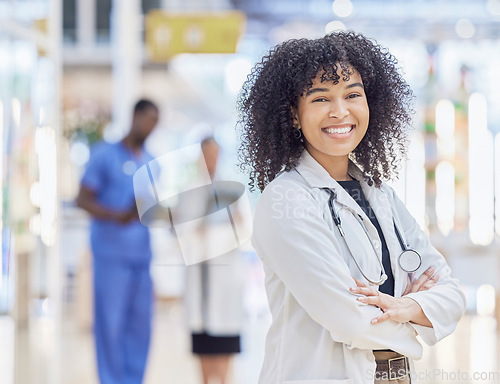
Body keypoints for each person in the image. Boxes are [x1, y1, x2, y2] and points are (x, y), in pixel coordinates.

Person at [237, 31, 466, 384]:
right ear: (294, 115)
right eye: (320, 98)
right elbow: (348, 320)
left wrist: (406, 307)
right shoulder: (285, 201)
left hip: (398, 376)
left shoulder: (379, 194)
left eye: (352, 95)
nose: (340, 111)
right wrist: (415, 318)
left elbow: (450, 293)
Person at [77, 99, 159, 384]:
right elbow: (83, 199)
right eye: (147, 119)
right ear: (134, 116)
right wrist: (116, 216)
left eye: (155, 122)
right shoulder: (104, 155)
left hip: (141, 257)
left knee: (140, 328)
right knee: (110, 327)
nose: (150, 127)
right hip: (111, 257)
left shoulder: (151, 163)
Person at [184, 137, 244, 384]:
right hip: (200, 278)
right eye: (206, 154)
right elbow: (185, 235)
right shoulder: (189, 192)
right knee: (204, 344)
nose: (211, 159)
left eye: (215, 154)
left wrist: (211, 235)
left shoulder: (231, 189)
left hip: (225, 278)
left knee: (226, 341)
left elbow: (241, 230)